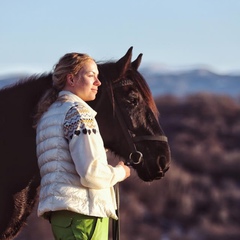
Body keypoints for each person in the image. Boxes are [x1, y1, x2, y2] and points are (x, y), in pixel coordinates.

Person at [34, 52, 131, 240]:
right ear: (71, 79)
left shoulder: (48, 115)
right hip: (85, 216)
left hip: (62, 217)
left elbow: (63, 160)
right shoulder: (79, 113)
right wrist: (120, 172)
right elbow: (91, 174)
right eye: (91, 75)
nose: (98, 82)